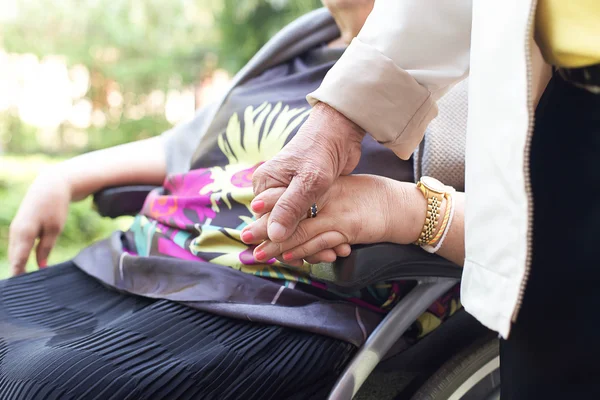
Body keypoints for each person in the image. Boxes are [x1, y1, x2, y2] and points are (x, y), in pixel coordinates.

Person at [3, 2, 464, 399]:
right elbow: (183, 146)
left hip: (279, 301)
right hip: (144, 261)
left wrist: (397, 210)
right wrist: (61, 176)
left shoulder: (470, 75)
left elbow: (522, 226)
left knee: (40, 386)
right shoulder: (297, 50)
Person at [248, 0, 600, 398]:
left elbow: (507, 231)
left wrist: (403, 209)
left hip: (298, 312)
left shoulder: (473, 99)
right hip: (577, 114)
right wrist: (336, 120)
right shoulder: (289, 60)